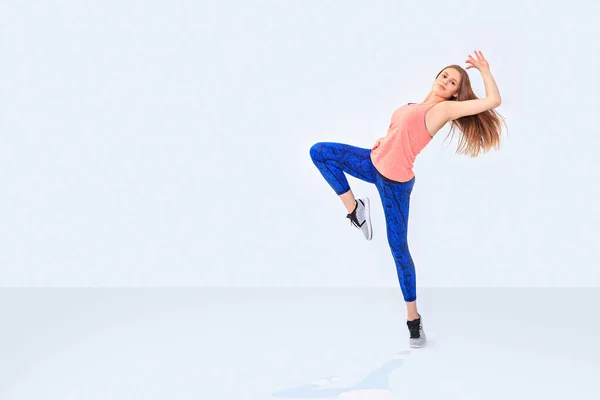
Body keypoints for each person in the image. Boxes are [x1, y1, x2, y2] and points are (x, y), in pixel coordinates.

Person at [309, 50, 507, 348]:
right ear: (436, 76)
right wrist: (382, 140)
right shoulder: (412, 105)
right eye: (444, 76)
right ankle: (355, 210)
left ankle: (413, 321)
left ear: (455, 95)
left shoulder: (443, 111)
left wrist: (485, 70)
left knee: (398, 249)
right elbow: (399, 132)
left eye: (452, 82)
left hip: (395, 185)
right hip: (372, 162)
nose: (445, 82)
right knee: (320, 151)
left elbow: (493, 101)